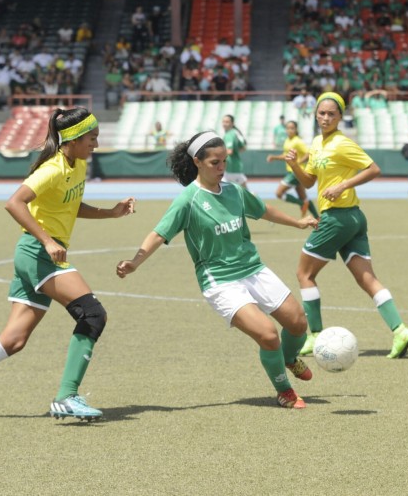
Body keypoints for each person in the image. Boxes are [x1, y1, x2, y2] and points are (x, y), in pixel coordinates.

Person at [0, 107, 137, 421]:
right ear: (72, 139)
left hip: (35, 256)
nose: (96, 144)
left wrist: (110, 213)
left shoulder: (78, 165)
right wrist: (47, 240)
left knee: (13, 340)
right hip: (38, 254)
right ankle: (66, 396)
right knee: (93, 313)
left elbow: (69, 205)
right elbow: (14, 202)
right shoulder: (53, 168)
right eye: (92, 138)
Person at [116, 131, 319, 409]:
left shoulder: (234, 191)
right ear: (197, 162)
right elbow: (158, 234)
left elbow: (264, 210)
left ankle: (288, 358)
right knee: (268, 335)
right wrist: (135, 262)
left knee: (298, 323)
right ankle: (284, 389)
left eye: (225, 161)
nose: (222, 168)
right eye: (215, 162)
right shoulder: (188, 200)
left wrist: (297, 223)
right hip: (221, 282)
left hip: (253, 269)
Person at [284, 92, 408, 358]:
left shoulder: (342, 143)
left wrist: (343, 184)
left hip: (337, 218)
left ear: (340, 117)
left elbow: (373, 169)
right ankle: (400, 330)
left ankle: (314, 335)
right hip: (353, 218)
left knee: (304, 274)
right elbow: (309, 181)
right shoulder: (316, 143)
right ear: (315, 114)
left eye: (331, 114)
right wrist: (294, 167)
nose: (325, 117)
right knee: (367, 279)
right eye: (322, 113)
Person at [266, 120, 319, 218]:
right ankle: (318, 219)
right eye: (288, 128)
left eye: (292, 128)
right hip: (296, 172)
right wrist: (274, 157)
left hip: (295, 172)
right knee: (304, 197)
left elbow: (309, 153)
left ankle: (301, 204)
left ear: (296, 130)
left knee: (279, 193)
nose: (290, 130)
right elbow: (286, 156)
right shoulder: (287, 140)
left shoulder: (297, 141)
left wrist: (297, 163)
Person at [221, 114, 248, 188]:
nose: (224, 124)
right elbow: (243, 148)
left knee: (245, 193)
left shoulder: (229, 134)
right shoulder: (234, 132)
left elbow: (229, 151)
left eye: (227, 122)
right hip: (232, 167)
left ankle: (254, 198)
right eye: (223, 121)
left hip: (232, 168)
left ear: (232, 124)